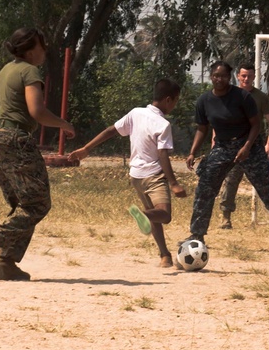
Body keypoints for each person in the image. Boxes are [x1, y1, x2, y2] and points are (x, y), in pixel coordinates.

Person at [0, 27, 75, 281]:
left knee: (22, 204)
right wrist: (63, 124)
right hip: (14, 138)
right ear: (30, 50)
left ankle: (6, 262)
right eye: (41, 45)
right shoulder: (30, 71)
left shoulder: (3, 72)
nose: (45, 50)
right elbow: (36, 111)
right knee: (38, 204)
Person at [185, 61, 269, 250]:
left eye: (223, 76)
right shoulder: (204, 101)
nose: (219, 79)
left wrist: (247, 147)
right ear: (211, 76)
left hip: (249, 145)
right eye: (216, 75)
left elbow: (256, 125)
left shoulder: (242, 97)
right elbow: (202, 129)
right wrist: (192, 152)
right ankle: (197, 235)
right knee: (205, 186)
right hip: (223, 147)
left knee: (268, 186)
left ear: (230, 77)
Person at [68, 79, 187, 267]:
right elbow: (163, 154)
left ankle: (165, 256)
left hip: (136, 176)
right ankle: (144, 216)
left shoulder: (136, 113)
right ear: (168, 100)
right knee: (164, 215)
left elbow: (110, 131)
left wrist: (87, 148)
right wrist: (174, 183)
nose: (174, 105)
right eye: (175, 101)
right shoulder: (163, 124)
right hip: (154, 176)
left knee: (154, 215)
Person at [217, 62, 269, 230]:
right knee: (230, 181)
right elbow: (219, 119)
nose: (246, 79)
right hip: (234, 145)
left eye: (249, 76)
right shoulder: (228, 95)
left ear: (254, 77)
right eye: (243, 76)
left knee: (265, 182)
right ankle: (225, 218)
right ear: (238, 76)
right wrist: (216, 139)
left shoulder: (261, 97)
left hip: (256, 147)